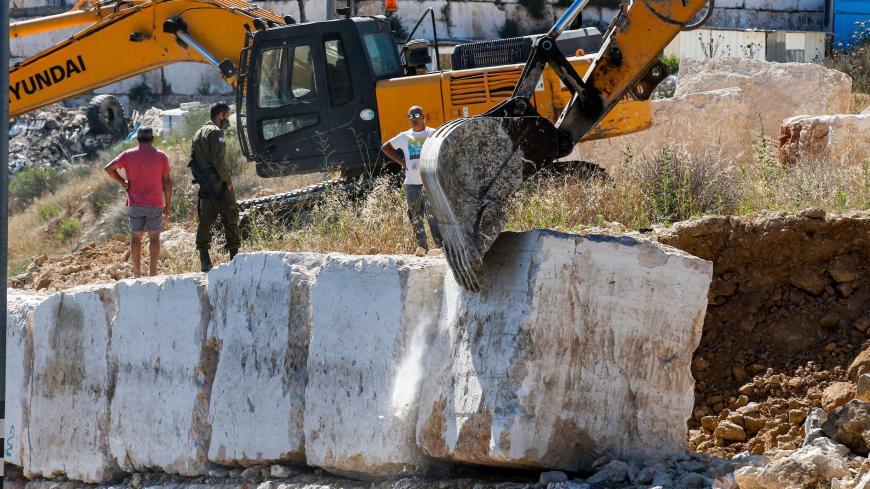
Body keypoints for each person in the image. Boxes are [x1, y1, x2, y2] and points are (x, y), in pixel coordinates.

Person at [104, 126, 171, 278]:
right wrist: (168, 203)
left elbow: (108, 168)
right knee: (154, 237)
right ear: (152, 139)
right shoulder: (161, 156)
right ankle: (153, 273)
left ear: (137, 139)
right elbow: (167, 182)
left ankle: (137, 273)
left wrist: (122, 181)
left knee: (136, 237)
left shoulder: (128, 155)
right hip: (155, 203)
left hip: (135, 203)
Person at [381, 106, 442, 257]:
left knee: (432, 214)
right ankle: (423, 248)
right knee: (415, 216)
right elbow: (385, 147)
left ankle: (440, 247)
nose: (414, 119)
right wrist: (401, 162)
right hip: (411, 183)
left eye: (416, 115)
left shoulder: (433, 133)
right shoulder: (404, 136)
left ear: (423, 117)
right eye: (410, 116)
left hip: (430, 181)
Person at [191, 102, 241, 272]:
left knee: (206, 220)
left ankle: (204, 259)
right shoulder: (215, 132)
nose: (227, 119)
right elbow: (219, 160)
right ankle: (235, 257)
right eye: (226, 115)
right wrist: (227, 181)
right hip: (218, 182)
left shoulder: (198, 133)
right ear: (220, 115)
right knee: (231, 216)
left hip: (205, 184)